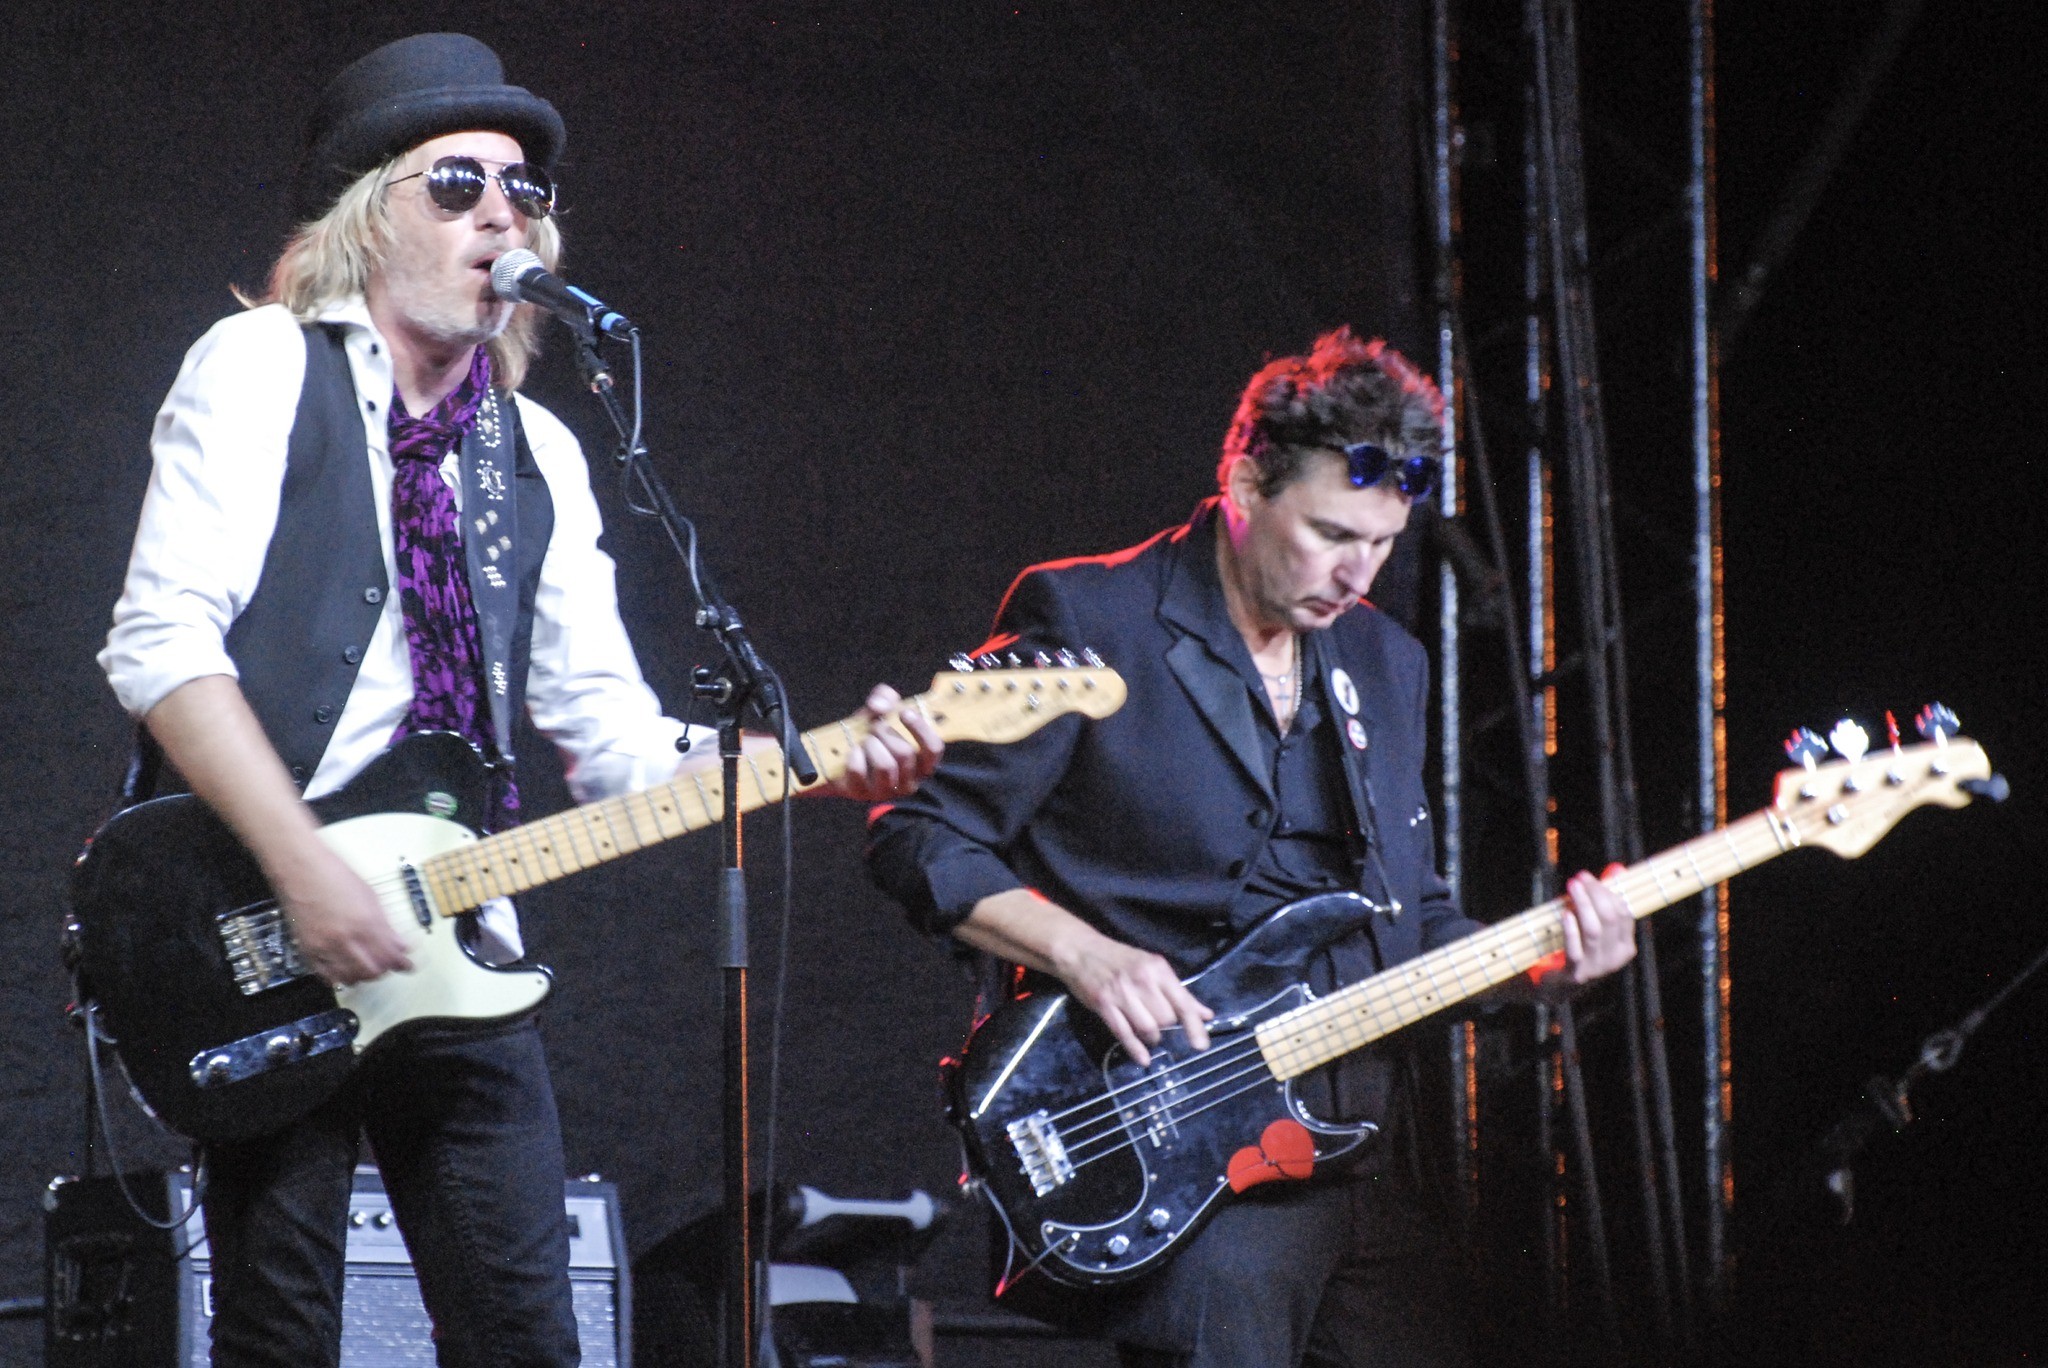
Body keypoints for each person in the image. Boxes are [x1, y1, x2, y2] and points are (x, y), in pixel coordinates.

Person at [97, 33, 940, 1368]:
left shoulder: (533, 451)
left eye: (526, 191)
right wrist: (303, 867)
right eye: (457, 185)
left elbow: (615, 744)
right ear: (366, 217)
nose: (504, 214)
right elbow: (160, 645)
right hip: (255, 917)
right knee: (279, 1331)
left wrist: (824, 760)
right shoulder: (260, 366)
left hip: (456, 938)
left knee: (527, 1332)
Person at [866, 327, 1636, 1368]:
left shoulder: (1385, 659)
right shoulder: (1092, 616)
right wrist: (1084, 954)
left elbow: (1407, 919)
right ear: (1241, 485)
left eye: (1382, 543)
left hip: (1363, 1163)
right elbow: (919, 832)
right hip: (1187, 1159)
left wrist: (1543, 969)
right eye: (1329, 533)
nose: (1356, 573)